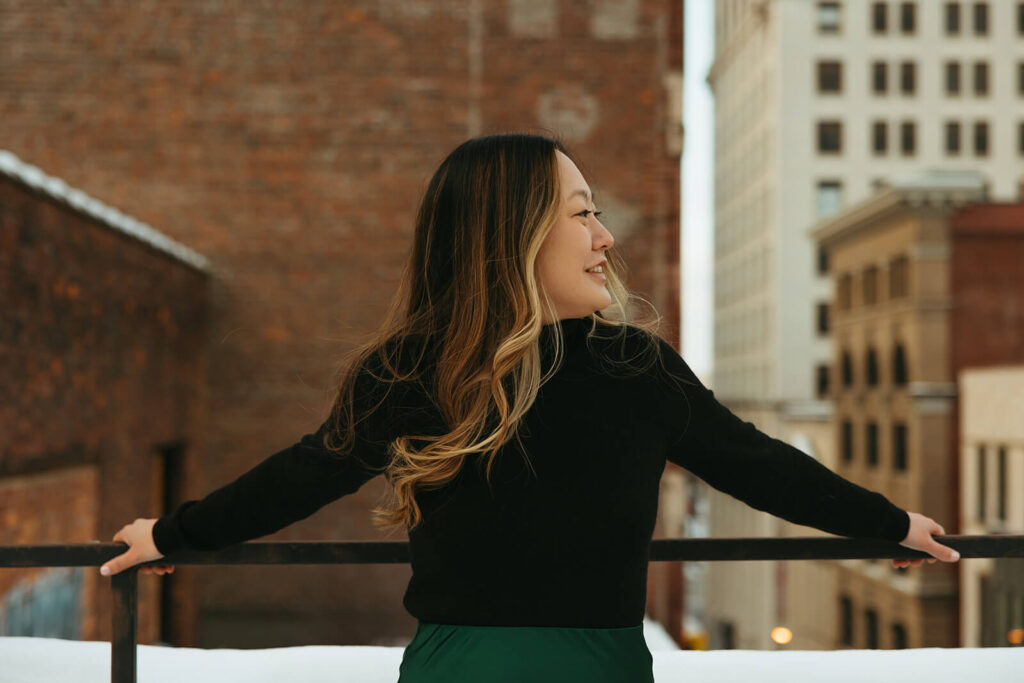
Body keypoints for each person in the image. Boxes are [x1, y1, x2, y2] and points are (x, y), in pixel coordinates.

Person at [100, 133, 959, 682]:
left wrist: (886, 521)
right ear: (515, 233)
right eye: (583, 215)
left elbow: (761, 464)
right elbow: (299, 475)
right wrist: (172, 535)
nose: (605, 238)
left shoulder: (592, 366)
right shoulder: (592, 368)